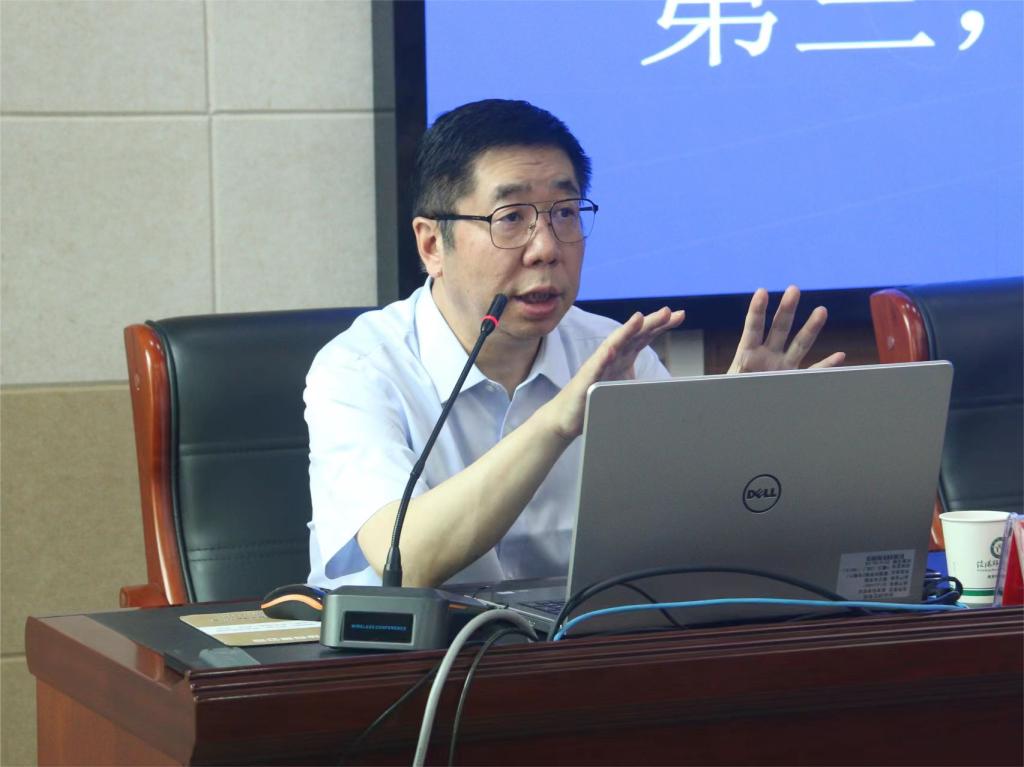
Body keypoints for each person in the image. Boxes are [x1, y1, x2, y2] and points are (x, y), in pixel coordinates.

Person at [304, 99, 845, 590]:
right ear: (431, 246)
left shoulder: (614, 353)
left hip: (580, 654)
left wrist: (739, 439)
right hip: (406, 661)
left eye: (565, 213)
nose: (546, 247)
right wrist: (558, 421)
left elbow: (687, 547)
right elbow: (405, 561)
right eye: (510, 219)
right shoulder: (359, 370)